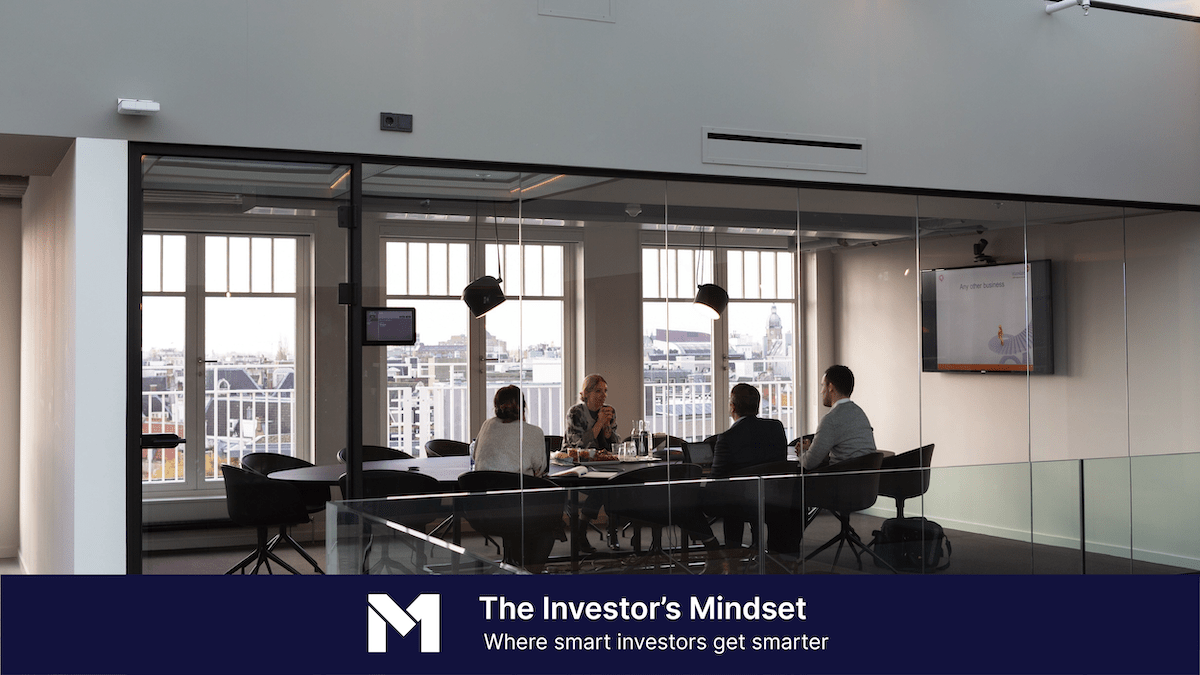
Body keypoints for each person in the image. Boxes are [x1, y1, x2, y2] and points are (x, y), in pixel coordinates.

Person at [706, 383, 788, 549]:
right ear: (757, 406)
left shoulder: (727, 438)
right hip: (774, 499)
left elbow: (716, 482)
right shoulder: (776, 428)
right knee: (736, 494)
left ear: (732, 407)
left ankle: (722, 549)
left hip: (740, 504)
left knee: (726, 497)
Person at [562, 374, 618, 553]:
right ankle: (582, 528)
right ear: (586, 393)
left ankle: (606, 529)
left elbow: (614, 444)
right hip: (576, 465)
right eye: (598, 391)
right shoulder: (575, 412)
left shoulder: (609, 410)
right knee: (604, 486)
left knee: (616, 483)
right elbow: (578, 445)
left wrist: (607, 427)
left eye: (605, 391)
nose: (603, 396)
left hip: (602, 465)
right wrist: (599, 423)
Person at [800, 365, 876, 471]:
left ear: (830, 387)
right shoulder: (860, 414)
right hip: (866, 484)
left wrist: (802, 452)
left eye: (823, 386)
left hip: (840, 483)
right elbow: (848, 451)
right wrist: (812, 449)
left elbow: (808, 463)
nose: (821, 391)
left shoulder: (830, 419)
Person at [472, 385, 547, 476]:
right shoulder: (535, 432)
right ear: (523, 407)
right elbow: (540, 468)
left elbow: (475, 456)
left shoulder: (487, 425)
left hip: (485, 487)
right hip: (519, 488)